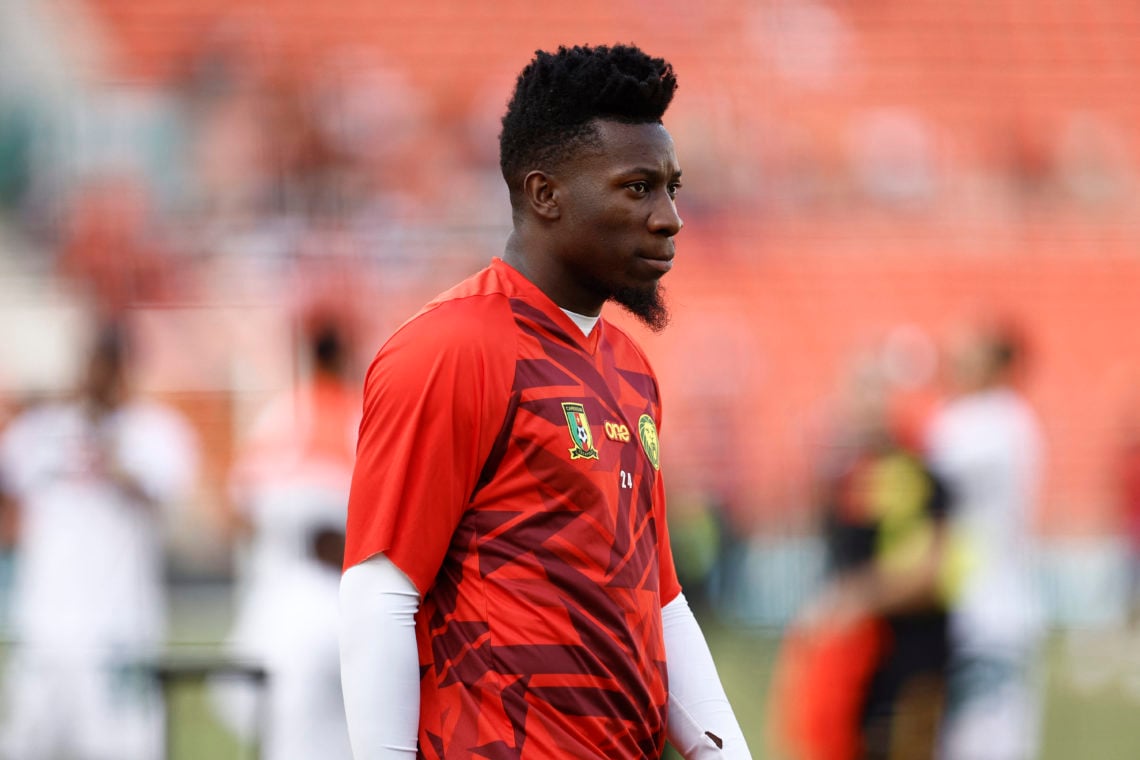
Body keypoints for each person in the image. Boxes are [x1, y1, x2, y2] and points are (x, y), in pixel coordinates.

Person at [339, 44, 750, 759]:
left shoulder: (630, 369)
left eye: (672, 188)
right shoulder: (450, 350)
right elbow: (381, 592)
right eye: (637, 188)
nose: (669, 218)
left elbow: (659, 598)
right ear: (545, 193)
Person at [0, 322, 199, 760]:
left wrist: (107, 447)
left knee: (123, 746)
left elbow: (160, 494)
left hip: (120, 629)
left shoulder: (155, 431)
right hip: (43, 627)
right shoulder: (40, 429)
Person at [770, 353, 952, 760]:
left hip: (908, 658)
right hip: (853, 662)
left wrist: (858, 597)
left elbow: (929, 572)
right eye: (860, 391)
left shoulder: (921, 475)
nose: (868, 405)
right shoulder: (845, 476)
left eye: (878, 393)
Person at [213, 318, 359, 760]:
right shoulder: (358, 413)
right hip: (338, 589)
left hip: (277, 592)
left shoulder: (281, 415)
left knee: (277, 717)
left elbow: (238, 511)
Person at [926, 319, 1045, 760]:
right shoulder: (1012, 420)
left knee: (983, 743)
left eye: (967, 352)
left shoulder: (987, 422)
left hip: (983, 612)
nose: (954, 361)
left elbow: (927, 461)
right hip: (990, 606)